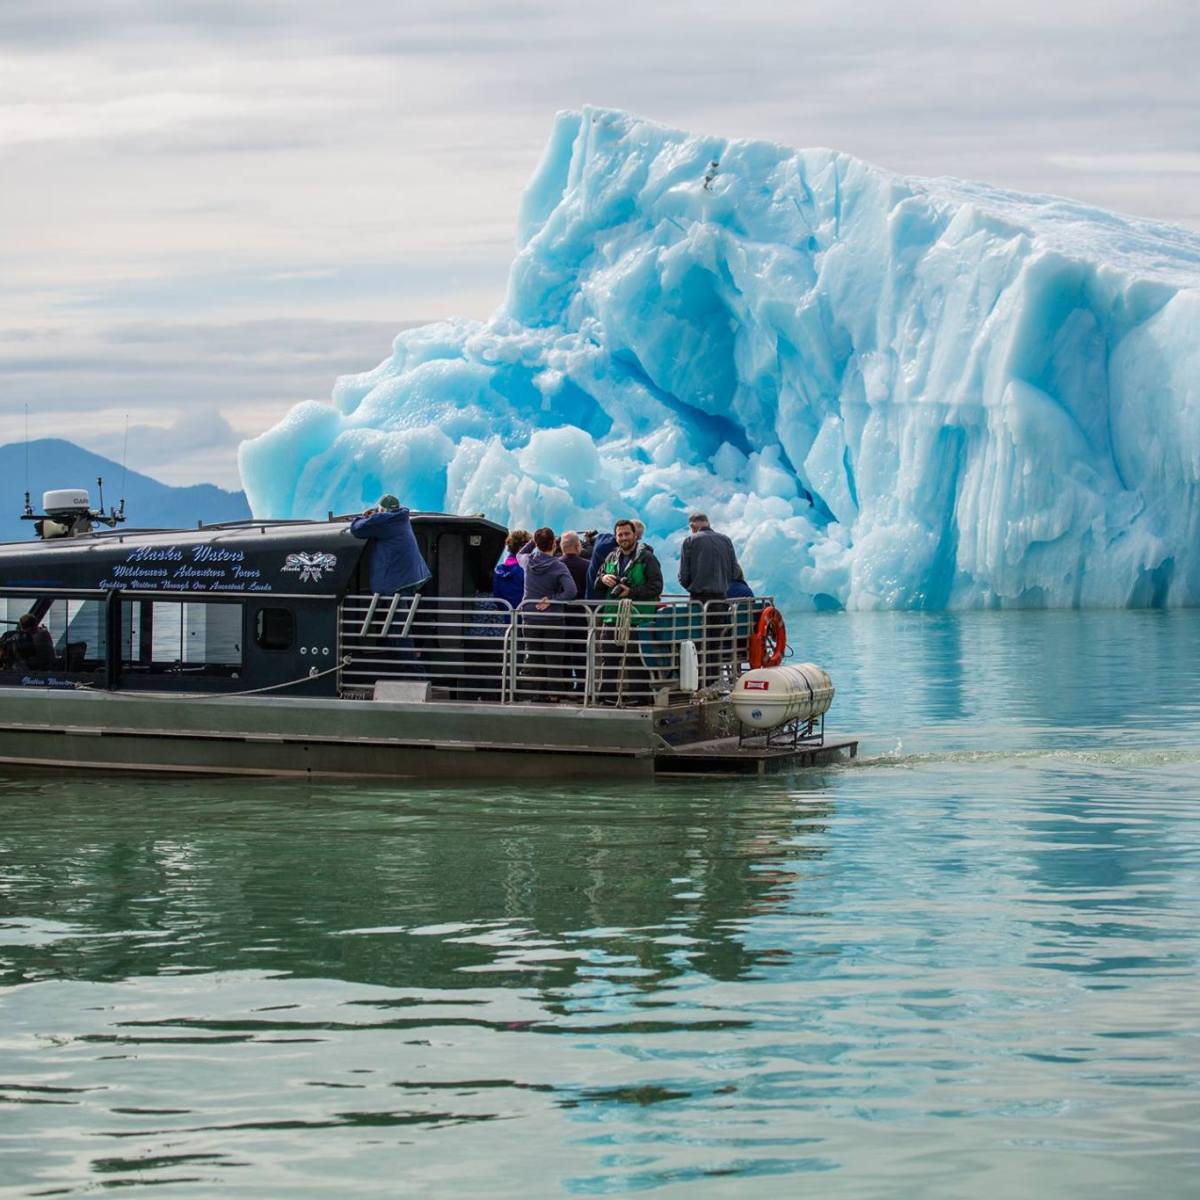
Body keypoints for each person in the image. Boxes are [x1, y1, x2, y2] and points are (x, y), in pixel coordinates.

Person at [595, 519, 663, 702]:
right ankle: (606, 696)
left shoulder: (647, 558)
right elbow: (596, 584)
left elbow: (656, 586)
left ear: (635, 535)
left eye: (627, 534)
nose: (624, 537)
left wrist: (631, 591)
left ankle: (639, 697)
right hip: (612, 617)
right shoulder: (611, 557)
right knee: (608, 657)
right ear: (616, 537)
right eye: (620, 534)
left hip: (638, 617)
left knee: (636, 658)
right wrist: (603, 579)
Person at [678, 512, 743, 683]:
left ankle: (699, 682)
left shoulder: (690, 541)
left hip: (699, 599)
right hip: (721, 599)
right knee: (715, 642)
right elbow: (734, 570)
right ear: (708, 522)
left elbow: (684, 574)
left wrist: (691, 586)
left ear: (693, 526)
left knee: (699, 641)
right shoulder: (725, 540)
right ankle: (713, 681)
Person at [520, 526, 578, 699]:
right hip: (553, 619)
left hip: (530, 618)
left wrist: (532, 542)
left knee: (535, 658)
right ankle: (555, 694)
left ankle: (538, 694)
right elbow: (571, 591)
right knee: (554, 660)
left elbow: (519, 553)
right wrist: (553, 599)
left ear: (537, 543)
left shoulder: (527, 561)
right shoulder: (559, 566)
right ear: (554, 543)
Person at [349, 495, 431, 595]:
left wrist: (362, 517)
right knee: (406, 607)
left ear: (382, 510)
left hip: (398, 581)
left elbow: (357, 529)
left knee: (398, 609)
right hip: (411, 577)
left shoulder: (385, 520)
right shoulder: (401, 517)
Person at [492, 530, 528, 610]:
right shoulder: (524, 570)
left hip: (507, 613)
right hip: (525, 615)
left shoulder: (499, 570)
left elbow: (497, 596)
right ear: (521, 548)